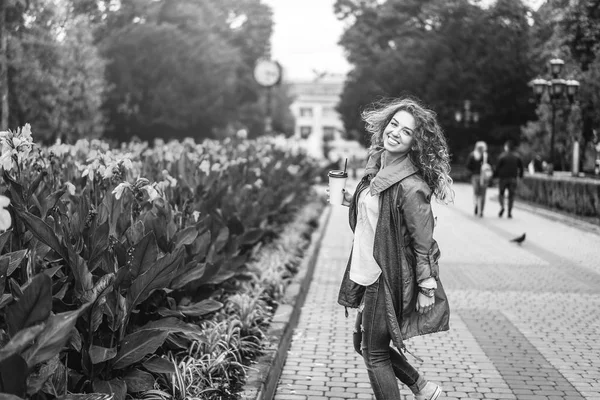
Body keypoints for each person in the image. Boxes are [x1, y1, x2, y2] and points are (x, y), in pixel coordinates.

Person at [335, 97, 452, 400]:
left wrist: (427, 285)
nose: (396, 132)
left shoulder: (411, 185)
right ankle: (423, 388)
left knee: (374, 354)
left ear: (415, 142)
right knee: (362, 340)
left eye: (407, 131)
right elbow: (378, 211)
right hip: (368, 267)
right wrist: (352, 199)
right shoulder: (380, 165)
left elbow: (424, 240)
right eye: (394, 124)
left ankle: (422, 388)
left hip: (385, 277)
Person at [494, 140, 524, 218]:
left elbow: (497, 168)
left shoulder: (502, 156)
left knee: (501, 194)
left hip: (503, 178)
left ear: (506, 147)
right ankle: (509, 212)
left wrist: (494, 176)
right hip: (513, 179)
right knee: (511, 196)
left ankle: (502, 206)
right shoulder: (517, 156)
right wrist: (520, 176)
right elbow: (521, 168)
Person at [465, 141, 491, 217]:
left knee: (476, 193)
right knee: (483, 194)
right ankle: (481, 210)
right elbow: (490, 166)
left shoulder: (472, 155)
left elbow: (468, 166)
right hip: (484, 176)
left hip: (475, 176)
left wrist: (473, 170)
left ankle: (476, 204)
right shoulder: (486, 156)